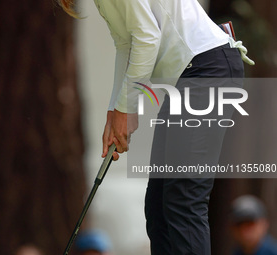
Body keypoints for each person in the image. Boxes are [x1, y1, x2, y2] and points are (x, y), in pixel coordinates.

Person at [58, 0, 254, 254]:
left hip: (206, 71)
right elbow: (125, 44)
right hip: (189, 79)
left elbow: (147, 36)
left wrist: (126, 108)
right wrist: (116, 110)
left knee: (182, 199)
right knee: (159, 206)